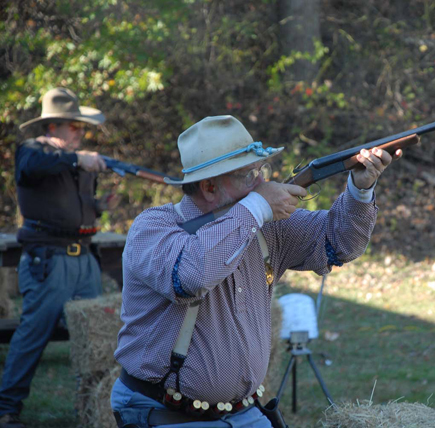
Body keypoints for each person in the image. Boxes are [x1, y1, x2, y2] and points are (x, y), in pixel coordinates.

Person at [111, 115, 401, 427]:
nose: (262, 183)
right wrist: (256, 208)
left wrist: (360, 188)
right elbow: (191, 276)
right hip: (166, 413)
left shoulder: (266, 227)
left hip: (245, 412)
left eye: (260, 170)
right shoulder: (154, 227)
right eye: (249, 175)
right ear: (209, 187)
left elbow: (340, 242)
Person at [0, 88, 116, 428]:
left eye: (81, 127)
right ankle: (6, 408)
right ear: (53, 127)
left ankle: (93, 409)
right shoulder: (34, 151)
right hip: (48, 260)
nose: (80, 132)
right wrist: (78, 158)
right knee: (34, 334)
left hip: (83, 258)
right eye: (74, 126)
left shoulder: (74, 161)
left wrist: (99, 207)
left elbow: (75, 207)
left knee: (95, 334)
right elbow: (33, 166)